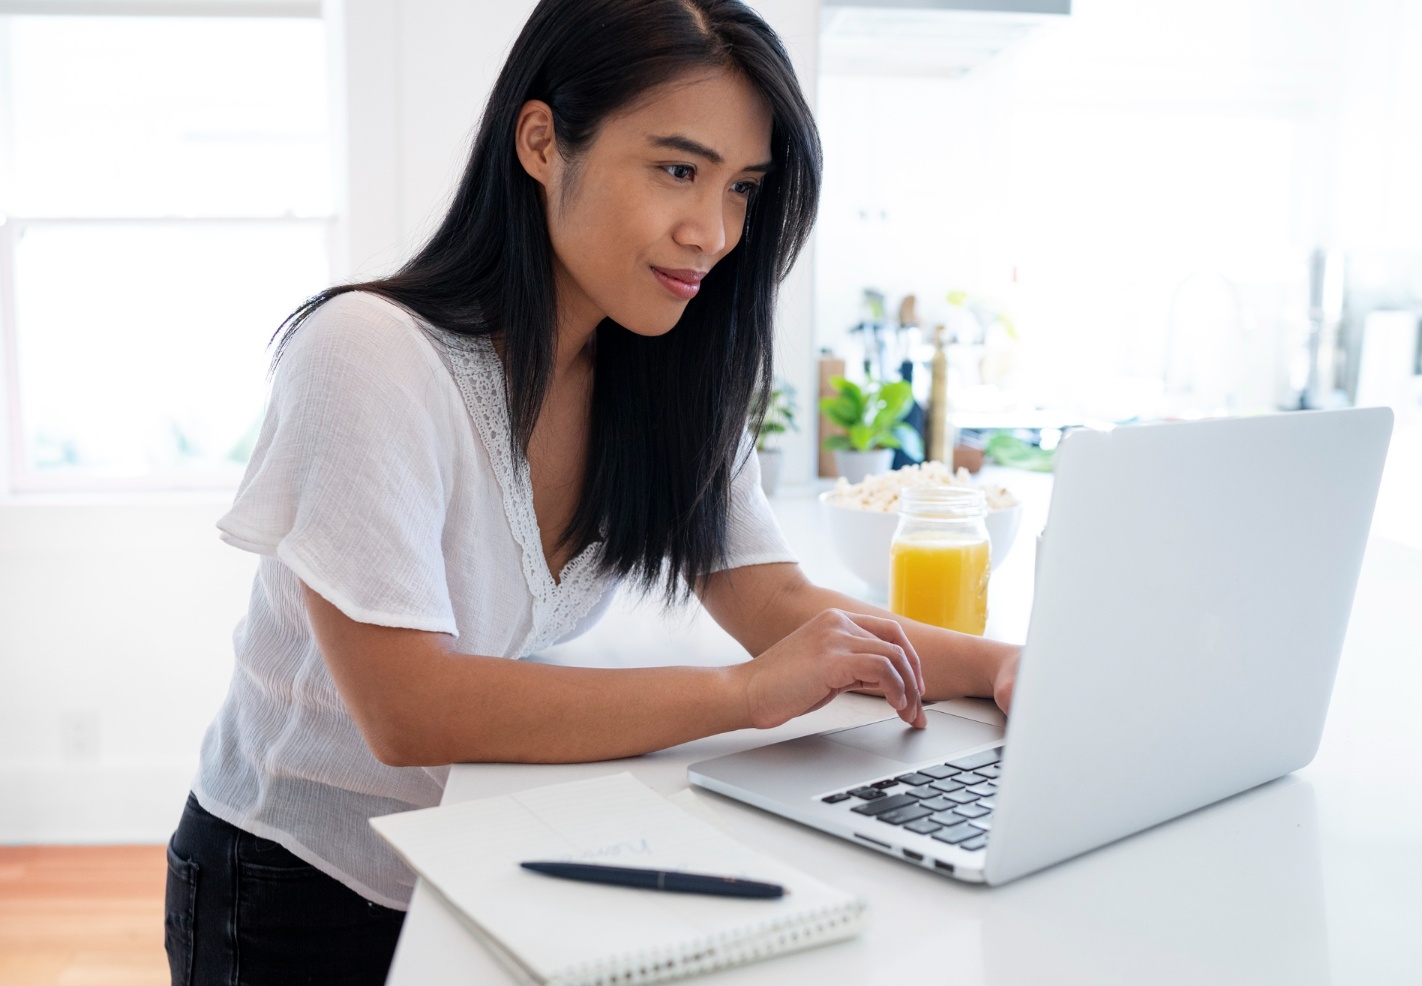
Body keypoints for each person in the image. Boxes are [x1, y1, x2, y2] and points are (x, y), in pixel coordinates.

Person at [163, 0, 1020, 982]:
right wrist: (743, 695)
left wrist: (1004, 667)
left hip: (488, 854)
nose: (714, 230)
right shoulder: (367, 355)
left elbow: (775, 604)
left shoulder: (662, 375)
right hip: (298, 886)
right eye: (677, 169)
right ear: (541, 141)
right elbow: (409, 710)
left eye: (742, 186)